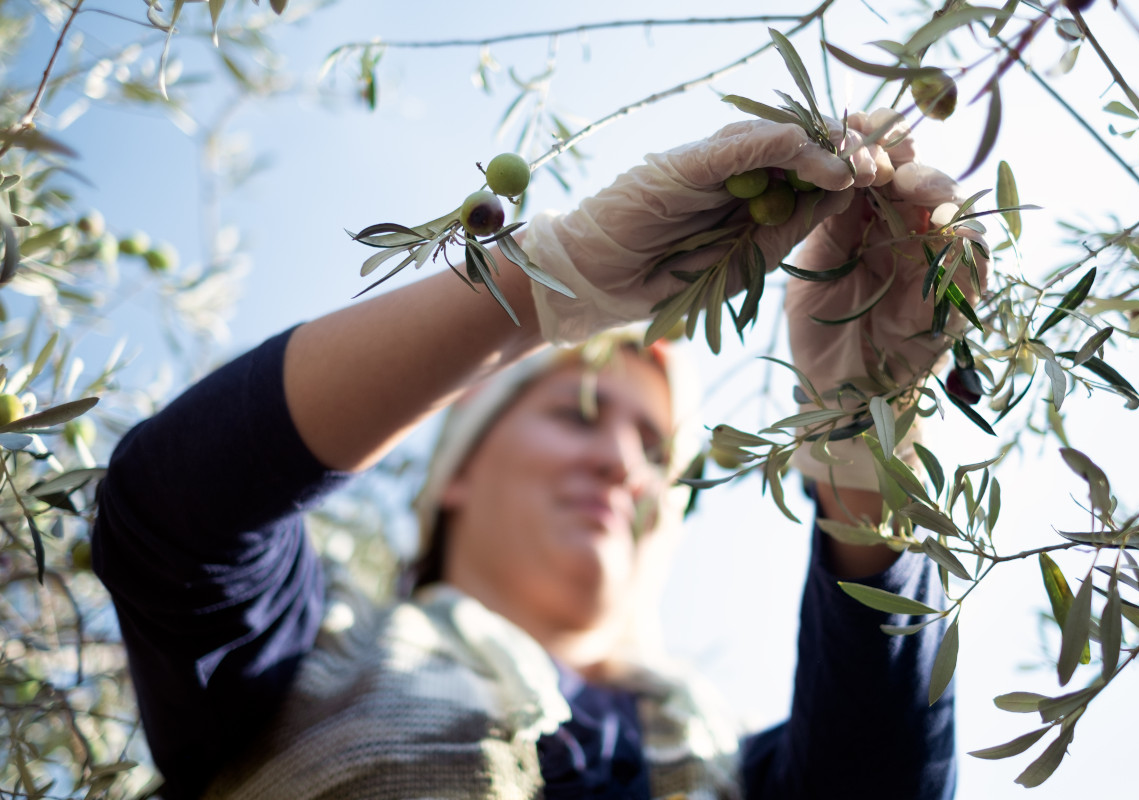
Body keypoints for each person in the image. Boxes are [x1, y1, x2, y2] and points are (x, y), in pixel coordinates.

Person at [92, 110, 977, 799]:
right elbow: (171, 520)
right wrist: (543, 283)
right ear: (461, 469)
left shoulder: (743, 772)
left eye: (654, 450)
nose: (621, 466)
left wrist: (867, 442)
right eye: (581, 414)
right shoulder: (310, 664)